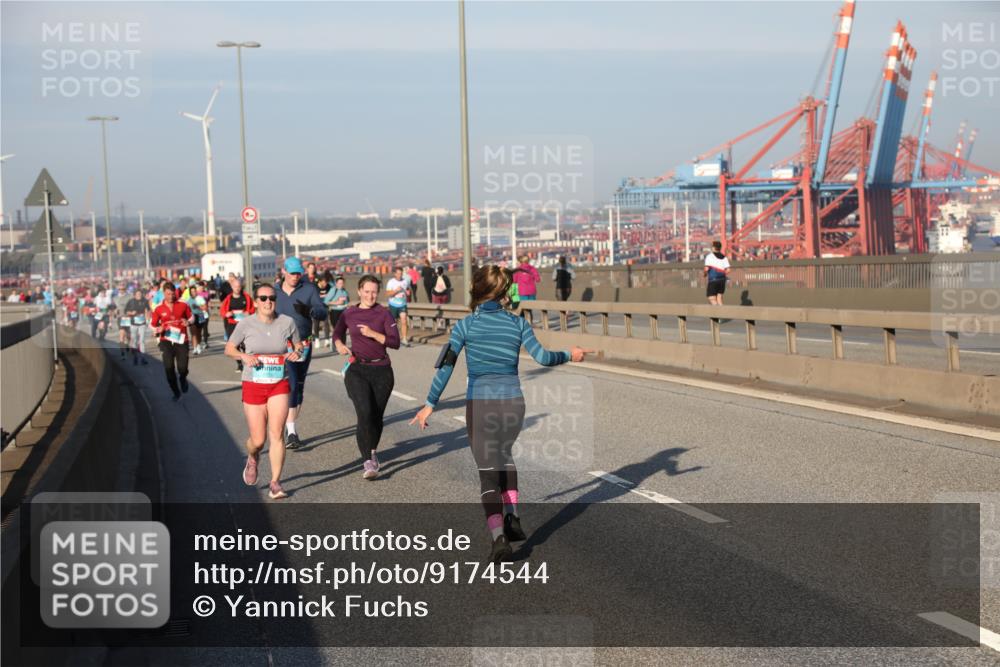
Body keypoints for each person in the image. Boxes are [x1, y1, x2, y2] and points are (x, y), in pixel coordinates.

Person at [410, 265, 590, 562]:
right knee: (504, 456)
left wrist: (431, 402)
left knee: (487, 473)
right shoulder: (517, 324)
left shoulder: (465, 326)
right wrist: (570, 354)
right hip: (513, 403)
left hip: (481, 404)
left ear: (476, 289)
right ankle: (513, 514)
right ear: (505, 291)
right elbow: (544, 357)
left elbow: (447, 366)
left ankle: (499, 538)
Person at [225, 283, 302, 500]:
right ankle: (252, 457)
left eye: (271, 298)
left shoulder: (287, 322)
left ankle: (275, 483)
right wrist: (244, 356)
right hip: (253, 383)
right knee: (258, 440)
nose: (268, 302)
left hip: (279, 382)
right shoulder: (246, 324)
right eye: (263, 298)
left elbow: (298, 346)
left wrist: (296, 352)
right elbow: (229, 349)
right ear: (256, 301)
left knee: (276, 433)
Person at [333, 275, 400, 480]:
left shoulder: (384, 314)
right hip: (357, 369)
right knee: (365, 412)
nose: (371, 295)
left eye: (374, 292)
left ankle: (372, 451)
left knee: (376, 417)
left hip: (382, 371)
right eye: (367, 291)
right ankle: (368, 461)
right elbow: (337, 333)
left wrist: (373, 334)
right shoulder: (349, 313)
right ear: (359, 291)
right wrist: (338, 344)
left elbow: (395, 342)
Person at [274, 257, 328, 450]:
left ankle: (290, 426)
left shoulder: (309, 289)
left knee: (299, 386)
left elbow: (323, 311)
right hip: (281, 345)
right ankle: (291, 431)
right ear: (284, 271)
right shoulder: (274, 292)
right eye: (292, 273)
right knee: (290, 383)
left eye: (298, 273)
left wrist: (311, 310)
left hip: (304, 343)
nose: (295, 277)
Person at [150, 283, 195, 401]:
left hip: (181, 339)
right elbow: (152, 324)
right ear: (163, 294)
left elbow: (191, 317)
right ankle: (176, 392)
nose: (171, 296)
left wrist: (188, 322)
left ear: (175, 292)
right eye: (168, 294)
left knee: (182, 367)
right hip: (166, 340)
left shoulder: (183, 304)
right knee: (169, 368)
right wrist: (156, 330)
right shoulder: (158, 308)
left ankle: (183, 377)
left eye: (172, 294)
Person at [220, 276, 255, 372]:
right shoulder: (228, 298)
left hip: (244, 324)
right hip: (232, 324)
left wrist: (249, 312)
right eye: (235, 286)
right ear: (232, 287)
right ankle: (239, 364)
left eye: (239, 286)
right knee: (235, 345)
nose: (237, 288)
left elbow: (252, 308)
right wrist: (227, 314)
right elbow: (222, 311)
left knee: (245, 344)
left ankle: (247, 359)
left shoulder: (246, 297)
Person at [386, 266, 411, 347]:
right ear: (395, 274)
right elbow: (387, 294)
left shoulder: (405, 281)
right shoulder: (391, 282)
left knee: (404, 320)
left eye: (401, 273)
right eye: (398, 274)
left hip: (402, 304)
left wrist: (408, 293)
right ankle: (393, 338)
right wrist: (396, 290)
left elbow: (407, 290)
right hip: (393, 304)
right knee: (394, 323)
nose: (400, 275)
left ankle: (404, 338)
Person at [125, 288, 150, 365]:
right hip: (133, 324)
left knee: (142, 341)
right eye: (137, 294)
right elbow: (126, 312)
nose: (139, 296)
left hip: (142, 323)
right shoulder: (131, 302)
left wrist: (148, 320)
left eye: (140, 294)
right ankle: (135, 357)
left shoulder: (145, 301)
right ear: (134, 295)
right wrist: (132, 313)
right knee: (134, 341)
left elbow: (147, 310)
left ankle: (143, 358)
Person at [704, 240, 730, 305]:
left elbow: (706, 268)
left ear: (714, 248)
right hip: (722, 280)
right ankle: (723, 313)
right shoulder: (724, 257)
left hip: (713, 279)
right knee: (719, 298)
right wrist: (722, 274)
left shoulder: (709, 256)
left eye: (712, 246)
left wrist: (705, 274)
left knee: (711, 298)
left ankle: (717, 313)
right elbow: (728, 270)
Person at [313, 272, 332, 348]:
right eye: (324, 282)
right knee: (316, 324)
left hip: (325, 307)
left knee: (326, 323)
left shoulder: (329, 287)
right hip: (316, 308)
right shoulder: (314, 287)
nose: (325, 284)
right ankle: (317, 339)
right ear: (319, 281)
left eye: (326, 282)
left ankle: (327, 340)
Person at [113, 283, 132, 360]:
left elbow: (133, 305)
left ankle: (127, 344)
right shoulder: (115, 298)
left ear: (126, 289)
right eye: (120, 289)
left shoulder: (130, 297)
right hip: (120, 318)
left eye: (123, 289)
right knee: (121, 335)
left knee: (128, 335)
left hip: (128, 317)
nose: (121, 291)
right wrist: (114, 311)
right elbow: (112, 308)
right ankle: (122, 353)